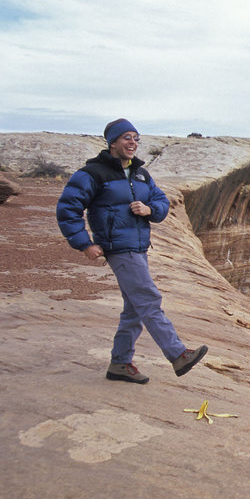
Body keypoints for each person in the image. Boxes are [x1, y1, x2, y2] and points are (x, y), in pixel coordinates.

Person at [57, 118, 207, 384]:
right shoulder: (92, 173)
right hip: (119, 248)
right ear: (113, 142)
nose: (133, 143)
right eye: (127, 137)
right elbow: (68, 209)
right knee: (148, 299)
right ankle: (178, 354)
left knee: (135, 309)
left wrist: (150, 210)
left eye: (136, 138)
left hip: (138, 247)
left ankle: (120, 364)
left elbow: (160, 200)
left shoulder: (140, 174)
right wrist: (84, 243)